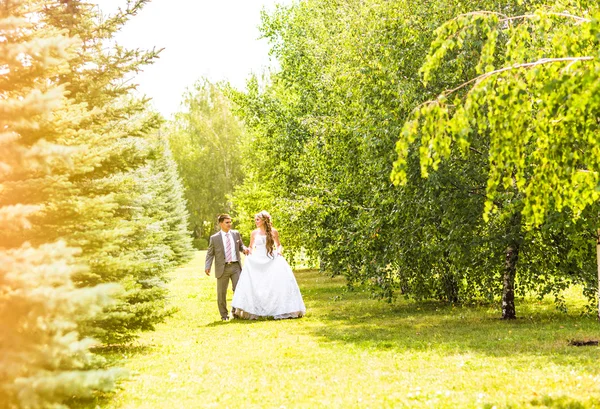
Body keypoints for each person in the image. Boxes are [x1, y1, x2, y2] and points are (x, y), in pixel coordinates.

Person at [231, 210, 306, 320]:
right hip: (258, 260)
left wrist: (279, 252)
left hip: (271, 258)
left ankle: (278, 308)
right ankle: (255, 310)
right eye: (255, 220)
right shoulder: (254, 233)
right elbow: (251, 247)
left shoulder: (273, 232)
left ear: (264, 220)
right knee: (257, 284)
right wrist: (248, 251)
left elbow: (279, 245)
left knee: (274, 283)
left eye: (257, 220)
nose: (256, 222)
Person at [205, 214, 248, 321]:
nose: (230, 224)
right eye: (227, 222)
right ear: (221, 223)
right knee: (221, 293)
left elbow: (241, 246)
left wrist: (244, 249)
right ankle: (224, 315)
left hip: (235, 267)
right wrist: (207, 266)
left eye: (230, 222)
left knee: (238, 290)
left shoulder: (236, 234)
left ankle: (235, 312)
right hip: (222, 268)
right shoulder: (214, 238)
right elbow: (210, 254)